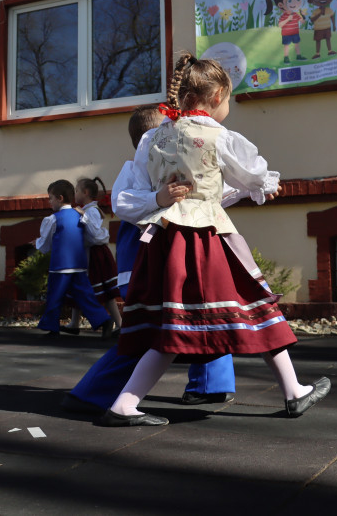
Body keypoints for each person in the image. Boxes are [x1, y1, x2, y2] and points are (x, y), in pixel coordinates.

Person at [100, 54, 330, 427]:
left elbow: (138, 192)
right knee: (255, 302)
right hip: (207, 239)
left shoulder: (152, 137)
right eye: (229, 100)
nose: (228, 108)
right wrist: (263, 185)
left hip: (164, 239)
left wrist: (162, 199)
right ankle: (293, 391)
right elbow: (251, 174)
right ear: (219, 93)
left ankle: (126, 403)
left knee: (173, 323)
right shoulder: (218, 136)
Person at [62, 105, 237, 416]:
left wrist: (254, 186)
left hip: (180, 258)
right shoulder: (136, 170)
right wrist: (159, 198)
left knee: (207, 311)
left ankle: (211, 385)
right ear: (150, 140)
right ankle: (94, 391)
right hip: (148, 265)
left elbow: (214, 190)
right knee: (145, 333)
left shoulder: (184, 166)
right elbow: (123, 203)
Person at [62, 177, 122, 335]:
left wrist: (83, 216)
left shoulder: (91, 211)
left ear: (85, 192)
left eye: (76, 190)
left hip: (96, 255)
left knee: (104, 291)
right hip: (87, 254)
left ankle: (119, 323)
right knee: (79, 286)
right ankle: (74, 323)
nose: (74, 194)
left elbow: (95, 235)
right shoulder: (88, 210)